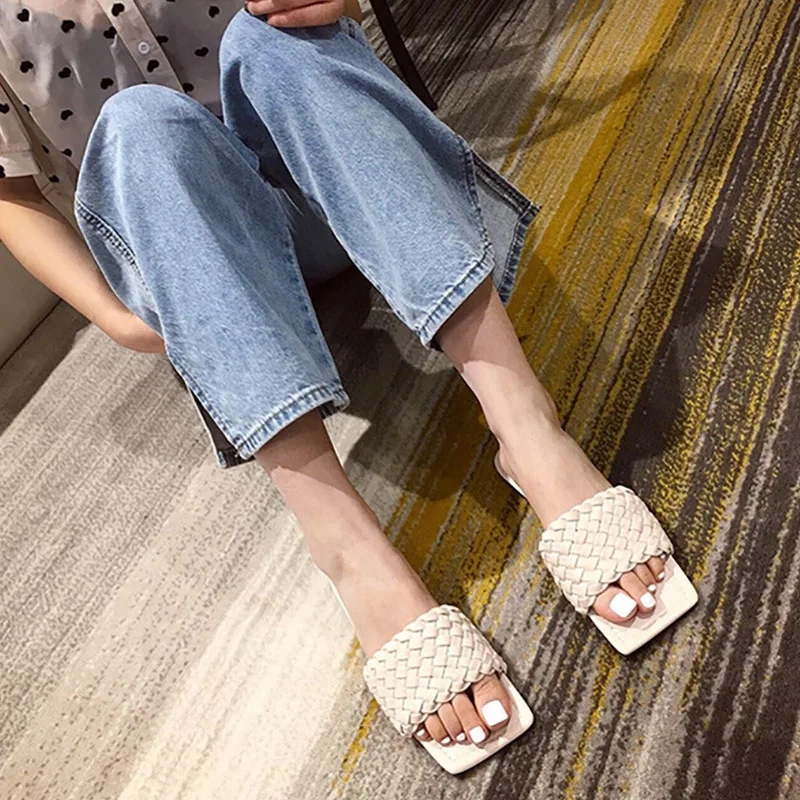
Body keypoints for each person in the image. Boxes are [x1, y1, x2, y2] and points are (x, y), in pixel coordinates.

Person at [0, 0, 675, 766]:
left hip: (328, 185)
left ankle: (525, 424)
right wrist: (117, 318)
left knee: (270, 38)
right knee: (135, 123)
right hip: (188, 256)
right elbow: (9, 194)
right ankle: (346, 546)